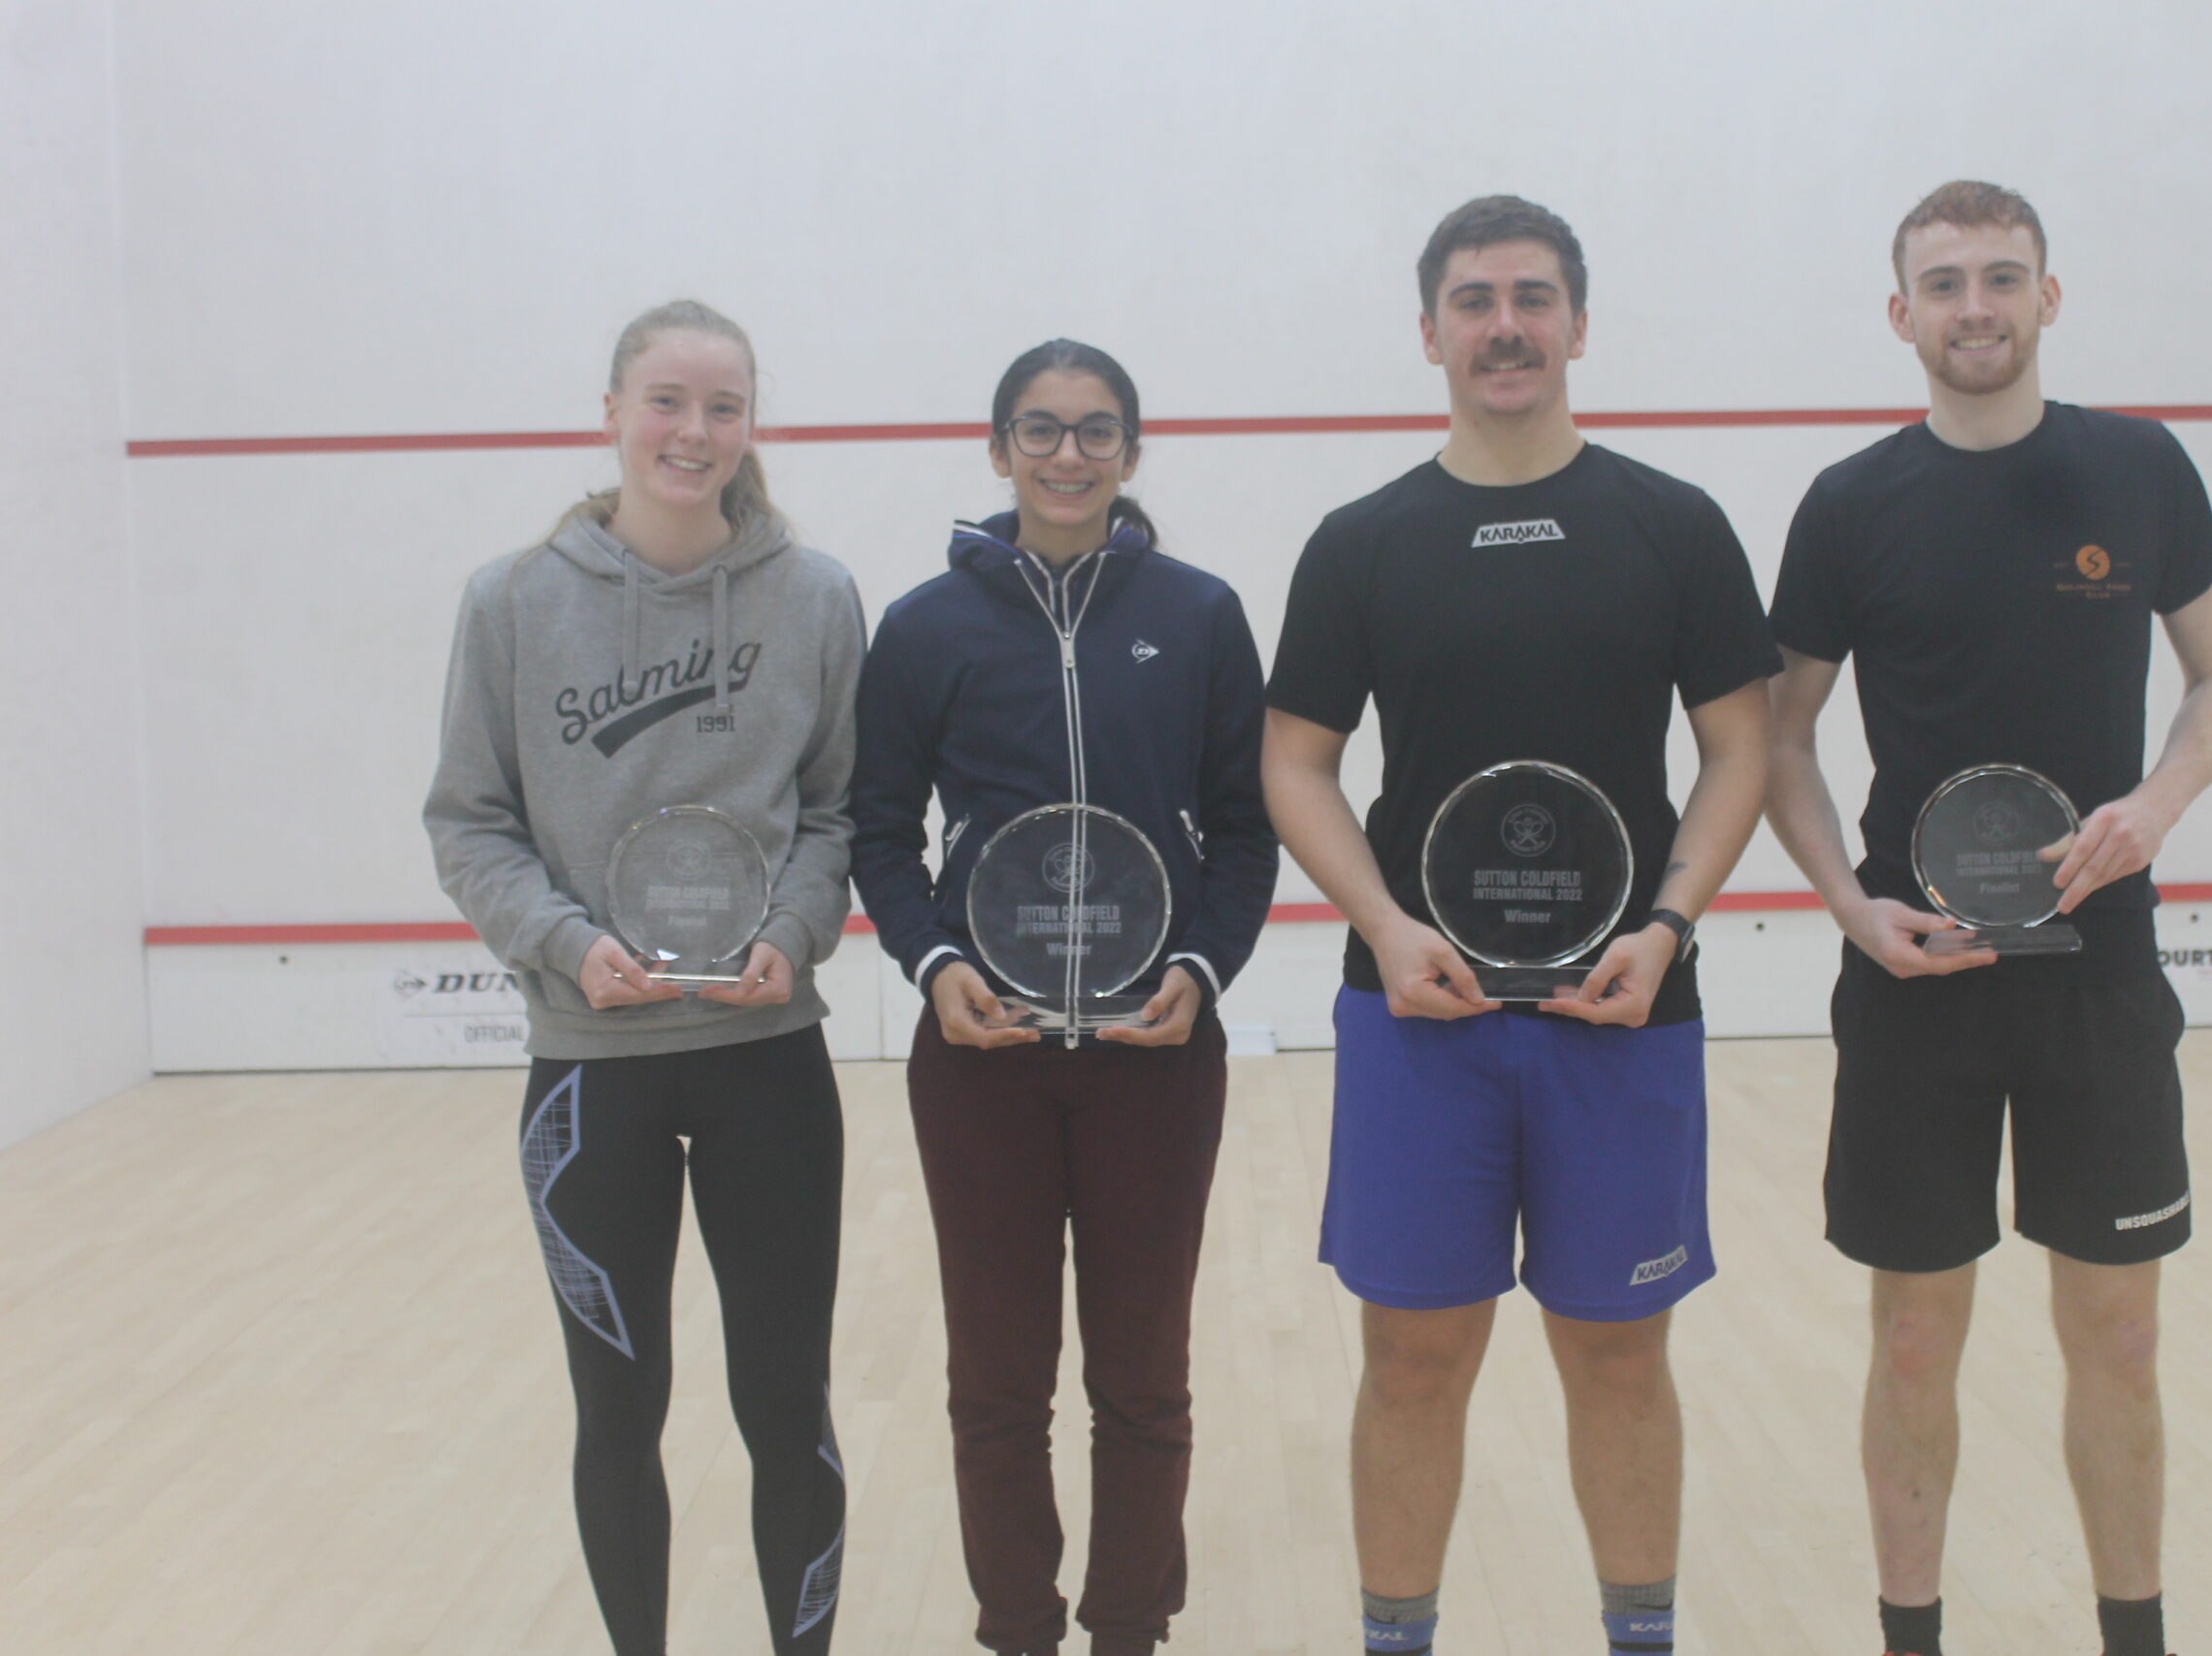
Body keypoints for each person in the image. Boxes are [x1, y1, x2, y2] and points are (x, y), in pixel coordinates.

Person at [1261, 197, 1778, 1656]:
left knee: (1620, 1356)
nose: (1505, 325)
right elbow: (1294, 758)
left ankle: (1641, 1640)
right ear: (1429, 332)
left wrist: (1668, 927)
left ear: (1578, 327)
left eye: (1533, 297)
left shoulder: (1672, 526)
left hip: (1624, 1010)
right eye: (1475, 300)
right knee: (1414, 1362)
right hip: (1420, 1015)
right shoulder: (1363, 543)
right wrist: (1384, 925)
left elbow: (1740, 747)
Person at [1764, 180, 2212, 1656]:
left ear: (2050, 295)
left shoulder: (2144, 470)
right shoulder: (1851, 504)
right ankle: (1910, 1636)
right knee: (1916, 1333)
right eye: (1943, 282)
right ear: (1900, 313)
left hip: (2099, 976)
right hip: (1917, 979)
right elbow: (1780, 739)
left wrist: (2154, 809)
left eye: (2001, 277)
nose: (1974, 305)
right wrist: (1850, 908)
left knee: (2119, 1332)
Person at [424, 300, 865, 1656]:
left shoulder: (816, 596)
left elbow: (840, 815)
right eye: (667, 401)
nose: (694, 431)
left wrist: (790, 936)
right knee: (616, 1411)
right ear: (613, 411)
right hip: (588, 1073)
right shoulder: (511, 601)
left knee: (785, 1406)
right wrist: (567, 946)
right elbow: (469, 822)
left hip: (766, 1066)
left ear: (751, 426)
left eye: (722, 407)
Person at [848, 339, 1278, 1656]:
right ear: (997, 451)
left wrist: (1201, 974)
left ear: (1132, 454)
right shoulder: (926, 627)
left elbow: (1246, 829)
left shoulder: (1199, 614)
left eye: (1096, 432)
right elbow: (877, 831)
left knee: (1143, 1381)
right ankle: (1019, 1628)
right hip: (983, 1052)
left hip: (1157, 1047)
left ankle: (1132, 1625)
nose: (1068, 455)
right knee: (997, 1382)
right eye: (1040, 430)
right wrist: (936, 965)